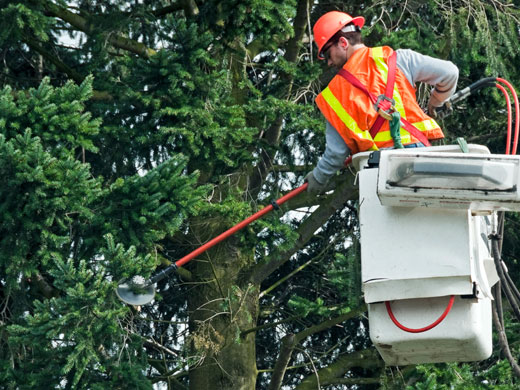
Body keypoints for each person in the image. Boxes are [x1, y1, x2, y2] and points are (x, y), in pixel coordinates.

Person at [305, 10, 459, 193]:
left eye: (327, 54)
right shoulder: (398, 59)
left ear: (343, 43)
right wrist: (436, 102)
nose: (329, 63)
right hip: (422, 158)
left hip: (383, 170)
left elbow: (336, 153)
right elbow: (450, 73)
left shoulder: (337, 93)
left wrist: (318, 177)